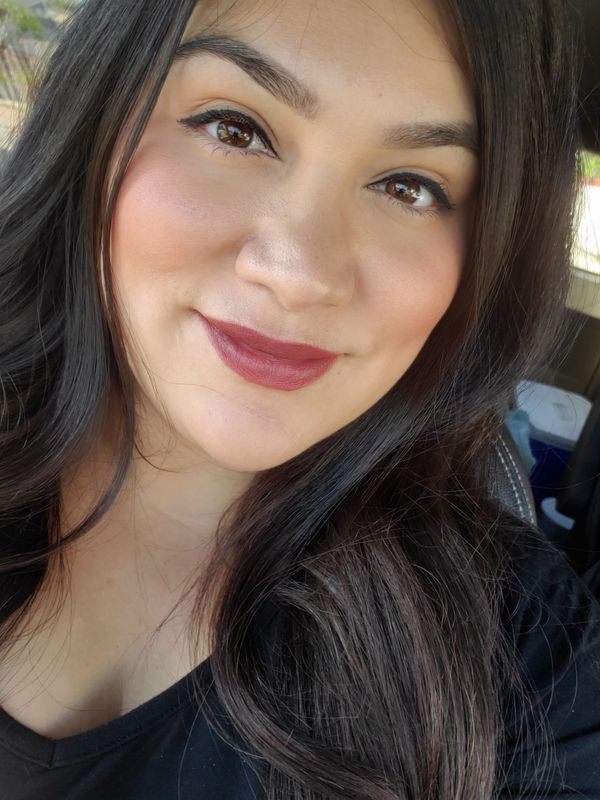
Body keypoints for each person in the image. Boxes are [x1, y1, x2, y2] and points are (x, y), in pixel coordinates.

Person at [0, 0, 599, 798]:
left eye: (409, 186)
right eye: (234, 128)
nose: (301, 272)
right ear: (94, 121)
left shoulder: (526, 653)